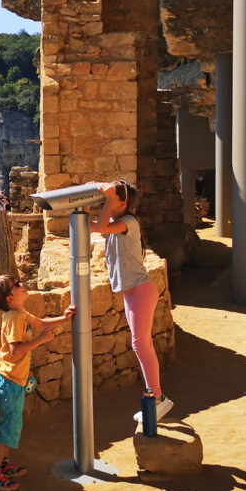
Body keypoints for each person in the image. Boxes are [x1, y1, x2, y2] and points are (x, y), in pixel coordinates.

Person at [0, 275, 75, 491]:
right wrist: (40, 340)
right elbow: (15, 351)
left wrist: (65, 318)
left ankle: (3, 466)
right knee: (7, 429)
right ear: (9, 298)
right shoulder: (14, 319)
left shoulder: (19, 313)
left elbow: (40, 323)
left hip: (12, 382)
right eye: (16, 285)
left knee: (12, 426)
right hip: (9, 383)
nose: (22, 284)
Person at [93, 180, 173, 424]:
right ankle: (156, 397)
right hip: (132, 292)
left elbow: (100, 227)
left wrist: (107, 200)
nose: (107, 203)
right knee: (141, 343)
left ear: (123, 203)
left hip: (141, 291)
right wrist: (87, 203)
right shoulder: (117, 222)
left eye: (111, 200)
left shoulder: (129, 222)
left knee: (140, 344)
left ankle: (157, 397)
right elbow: (93, 226)